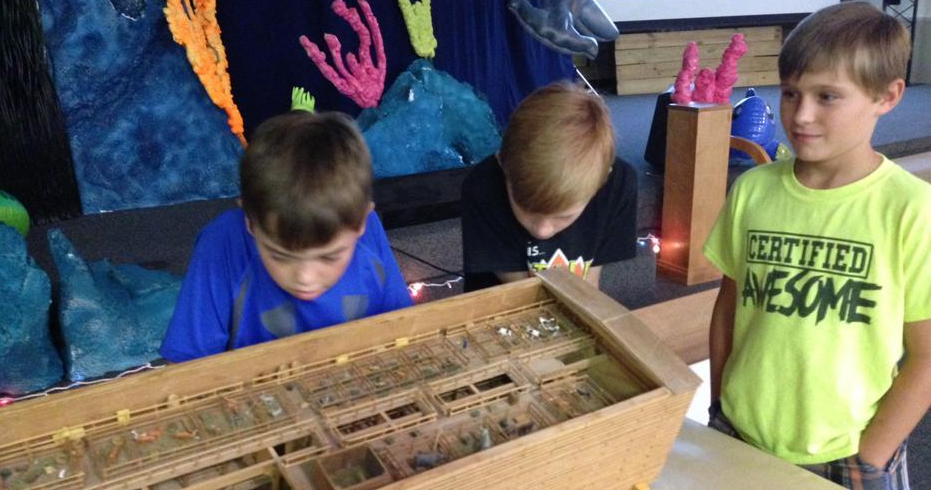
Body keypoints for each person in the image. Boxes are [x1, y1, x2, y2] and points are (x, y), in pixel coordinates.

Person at [704, 1, 931, 490]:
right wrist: (722, 406)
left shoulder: (911, 210)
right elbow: (728, 308)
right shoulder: (754, 191)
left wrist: (871, 456)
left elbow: (927, 357)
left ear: (888, 97)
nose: (801, 115)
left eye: (828, 96)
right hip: (743, 437)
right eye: (790, 93)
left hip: (847, 453)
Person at [161, 110, 413, 362]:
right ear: (251, 222)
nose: (305, 278)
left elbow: (402, 329)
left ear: (362, 223)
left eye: (328, 257)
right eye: (280, 256)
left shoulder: (370, 228)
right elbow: (187, 365)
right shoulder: (222, 243)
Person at [461, 81, 637, 292]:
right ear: (502, 164)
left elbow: (590, 283)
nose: (542, 231)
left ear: (602, 182)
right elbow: (522, 292)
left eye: (564, 217)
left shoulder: (619, 185)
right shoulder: (481, 187)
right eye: (527, 210)